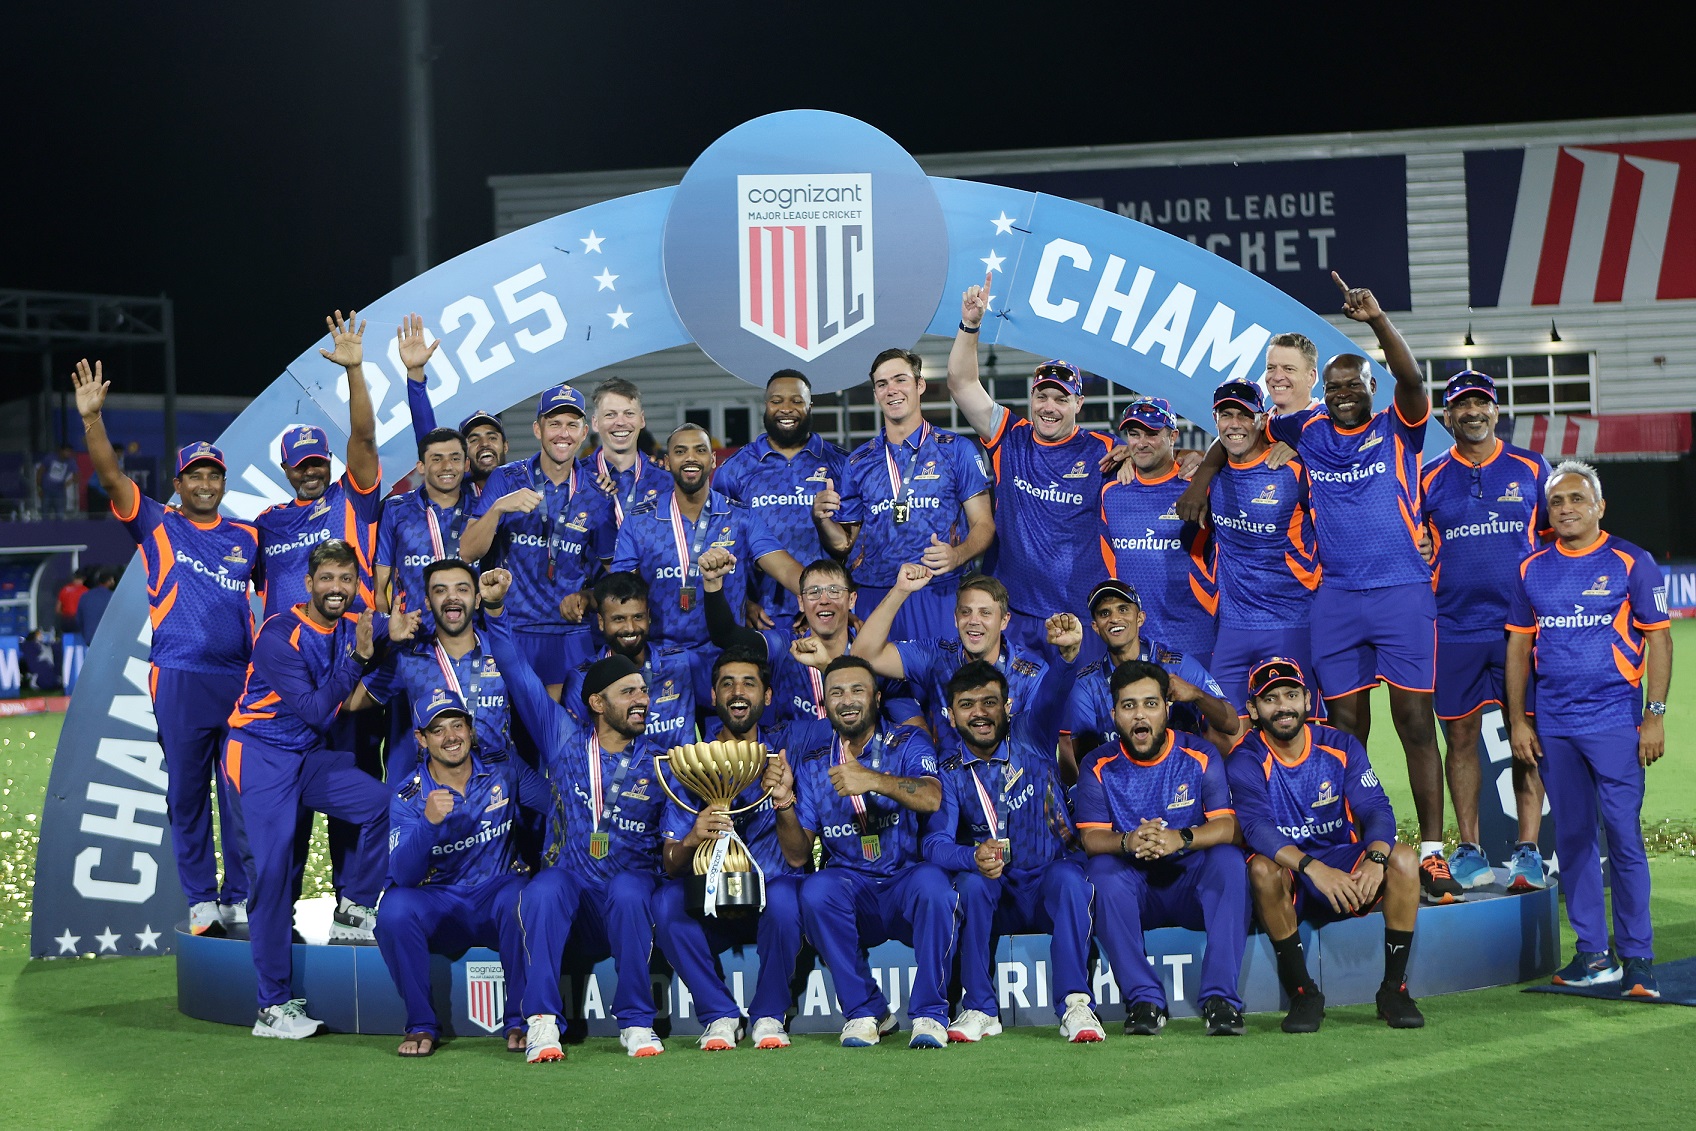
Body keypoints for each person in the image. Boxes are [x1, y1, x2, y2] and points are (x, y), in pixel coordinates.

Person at [1177, 273, 1456, 903]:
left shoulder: (1398, 425)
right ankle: (1350, 838)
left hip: (1402, 591)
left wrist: (1378, 321)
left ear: (1371, 388)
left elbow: (1413, 380)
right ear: (1322, 396)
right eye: (1334, 388)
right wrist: (1203, 474)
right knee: (1345, 727)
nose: (1343, 394)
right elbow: (1235, 432)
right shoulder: (1306, 433)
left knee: (1415, 720)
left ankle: (1433, 852)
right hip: (1336, 598)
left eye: (1353, 385)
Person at [74, 358, 254, 936]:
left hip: (240, 679)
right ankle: (201, 899)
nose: (205, 484)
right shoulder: (155, 523)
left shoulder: (248, 537)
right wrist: (93, 421)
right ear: (178, 485)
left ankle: (240, 897)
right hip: (178, 674)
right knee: (187, 792)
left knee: (241, 792)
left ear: (223, 484)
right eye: (194, 476)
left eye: (213, 476)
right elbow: (110, 479)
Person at [480, 567, 674, 1056]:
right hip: (575, 899)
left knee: (629, 889)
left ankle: (636, 1022)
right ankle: (543, 1021)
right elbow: (517, 673)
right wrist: (496, 610)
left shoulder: (661, 760)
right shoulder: (563, 740)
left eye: (643, 692)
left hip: (630, 902)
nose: (641, 701)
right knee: (544, 887)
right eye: (628, 693)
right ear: (596, 702)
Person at [1507, 460, 1673, 999]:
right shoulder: (1531, 568)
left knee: (1623, 837)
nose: (1566, 509)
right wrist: (1518, 720)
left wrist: (1654, 715)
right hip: (1555, 725)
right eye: (1556, 501)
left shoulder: (1632, 561)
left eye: (1577, 499)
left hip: (1616, 721)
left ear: (1600, 506)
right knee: (1574, 839)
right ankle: (1594, 955)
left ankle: (1639, 958)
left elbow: (1659, 639)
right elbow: (1518, 647)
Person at [224, 540, 398, 1038]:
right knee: (272, 877)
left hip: (304, 759)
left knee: (383, 805)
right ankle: (271, 1008)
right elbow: (318, 712)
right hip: (258, 757)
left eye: (346, 579)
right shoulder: (279, 633)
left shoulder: (354, 622)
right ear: (308, 584)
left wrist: (420, 620)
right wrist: (360, 658)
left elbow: (401, 624)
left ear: (356, 585)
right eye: (327, 579)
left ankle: (353, 908)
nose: (336, 588)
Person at [927, 630, 1107, 1045]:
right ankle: (980, 1008)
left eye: (989, 702)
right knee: (970, 884)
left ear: (1008, 707)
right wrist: (971, 856)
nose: (979, 713)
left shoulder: (1032, 733)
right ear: (950, 715)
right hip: (1000, 894)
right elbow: (934, 844)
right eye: (966, 705)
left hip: (1048, 883)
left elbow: (1054, 691)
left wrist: (1066, 656)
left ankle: (1076, 1005)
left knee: (1069, 878)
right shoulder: (948, 771)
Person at [1225, 657, 1425, 1032]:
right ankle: (1303, 993)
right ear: (1252, 709)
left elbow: (1376, 809)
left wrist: (1375, 858)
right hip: (1293, 872)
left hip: (1340, 862)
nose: (1282, 707)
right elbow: (1256, 829)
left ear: (1307, 699)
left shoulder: (1340, 745)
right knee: (1262, 869)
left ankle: (1393, 990)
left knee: (1402, 858)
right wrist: (1314, 869)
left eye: (1291, 695)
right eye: (1270, 699)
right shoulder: (1245, 759)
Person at [376, 687, 571, 1060]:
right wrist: (428, 824)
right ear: (421, 739)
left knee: (522, 896)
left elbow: (557, 804)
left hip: (496, 891)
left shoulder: (504, 768)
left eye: (457, 725)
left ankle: (522, 1019)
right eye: (437, 730)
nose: (450, 736)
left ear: (471, 729)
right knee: (393, 910)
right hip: (439, 902)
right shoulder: (408, 797)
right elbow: (403, 875)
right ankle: (420, 1024)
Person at [651, 645, 828, 1051]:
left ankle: (769, 1014)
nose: (737, 692)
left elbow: (799, 857)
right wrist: (693, 838)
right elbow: (671, 863)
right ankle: (720, 1015)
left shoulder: (786, 748)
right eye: (727, 684)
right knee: (665, 901)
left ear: (767, 695)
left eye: (749, 683)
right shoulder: (692, 761)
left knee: (787, 894)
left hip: (770, 902)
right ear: (713, 695)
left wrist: (784, 802)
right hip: (710, 901)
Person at [780, 655, 955, 1048]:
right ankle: (865, 1012)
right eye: (836, 693)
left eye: (857, 690)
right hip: (853, 889)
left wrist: (873, 780)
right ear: (825, 703)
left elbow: (931, 797)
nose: (847, 700)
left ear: (876, 697)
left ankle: (929, 1014)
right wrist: (783, 802)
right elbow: (796, 855)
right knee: (816, 889)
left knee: (935, 884)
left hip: (905, 881)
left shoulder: (908, 741)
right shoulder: (813, 763)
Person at [1420, 371, 1551, 890]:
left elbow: (1552, 539)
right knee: (1459, 738)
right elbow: (1414, 539)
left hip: (1519, 630)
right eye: (1461, 405)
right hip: (1452, 627)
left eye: (1481, 403)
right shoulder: (1429, 477)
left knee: (1527, 739)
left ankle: (1528, 850)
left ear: (1496, 411)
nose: (1472, 412)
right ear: (1447, 416)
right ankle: (1470, 850)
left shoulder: (1531, 467)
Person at [1074, 660, 1248, 1037]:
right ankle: (1145, 1000)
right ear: (1114, 715)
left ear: (1167, 709)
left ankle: (1221, 1000)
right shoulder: (1097, 764)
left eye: (1150, 704)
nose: (1140, 715)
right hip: (1135, 885)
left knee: (1229, 861)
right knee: (1101, 872)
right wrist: (1128, 841)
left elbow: (1228, 827)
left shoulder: (1200, 754)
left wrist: (1180, 838)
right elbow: (1091, 838)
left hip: (1190, 881)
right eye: (1129, 705)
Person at [945, 272, 1114, 649]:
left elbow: (1157, 459)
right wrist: (970, 325)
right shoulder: (1010, 435)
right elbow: (961, 383)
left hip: (1077, 613)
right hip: (1013, 611)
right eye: (1042, 397)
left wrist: (1191, 460)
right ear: (1031, 398)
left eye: (1061, 399)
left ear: (1078, 404)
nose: (1049, 407)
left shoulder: (1103, 450)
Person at [812, 348, 995, 642]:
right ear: (875, 394)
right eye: (882, 384)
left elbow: (984, 524)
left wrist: (958, 555)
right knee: (872, 673)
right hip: (875, 594)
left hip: (938, 591)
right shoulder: (858, 461)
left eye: (900, 379)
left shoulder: (955, 450)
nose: (892, 390)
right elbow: (845, 544)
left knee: (942, 672)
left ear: (920, 385)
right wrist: (821, 519)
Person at [464, 383, 613, 699]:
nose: (563, 433)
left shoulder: (598, 493)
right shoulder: (506, 479)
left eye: (571, 424)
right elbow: (467, 551)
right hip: (512, 630)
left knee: (566, 727)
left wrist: (588, 597)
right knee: (510, 727)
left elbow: (615, 574)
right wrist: (498, 507)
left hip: (570, 634)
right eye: (554, 423)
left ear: (584, 432)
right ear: (537, 429)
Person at [612, 423, 802, 649]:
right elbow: (619, 590)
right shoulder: (638, 521)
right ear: (667, 462)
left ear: (713, 460)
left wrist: (822, 597)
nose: (690, 458)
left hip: (727, 655)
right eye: (680, 451)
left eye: (700, 450)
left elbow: (786, 569)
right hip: (661, 654)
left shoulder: (740, 517)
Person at [1202, 378, 1321, 716]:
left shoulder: (1294, 469)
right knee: (1226, 731)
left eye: (1244, 415)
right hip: (1233, 628)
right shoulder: (1210, 475)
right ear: (1215, 420)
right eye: (1226, 415)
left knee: (1297, 728)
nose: (1234, 424)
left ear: (1262, 419)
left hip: (1291, 623)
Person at [253, 311, 384, 619]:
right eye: (301, 465)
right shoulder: (267, 523)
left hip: (349, 633)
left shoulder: (351, 498)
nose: (310, 471)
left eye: (317, 463)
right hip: (287, 642)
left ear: (329, 462)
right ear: (285, 469)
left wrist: (354, 369)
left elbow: (364, 439)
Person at [842, 566, 1059, 746]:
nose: (974, 621)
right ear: (955, 619)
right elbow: (863, 655)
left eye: (985, 613)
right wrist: (900, 590)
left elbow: (1037, 746)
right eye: (966, 612)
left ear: (1004, 621)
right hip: (948, 779)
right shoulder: (937, 655)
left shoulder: (1031, 671)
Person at [1062, 580, 1239, 781]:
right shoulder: (1086, 684)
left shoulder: (1178, 666)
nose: (1114, 618)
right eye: (1104, 613)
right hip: (1122, 784)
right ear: (1095, 626)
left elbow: (1232, 725)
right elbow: (1087, 763)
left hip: (1183, 782)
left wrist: (1197, 695)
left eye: (1123, 609)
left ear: (1140, 618)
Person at [713, 369, 848, 628]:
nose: (786, 408)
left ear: (810, 406)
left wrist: (833, 603)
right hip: (762, 615)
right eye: (777, 401)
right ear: (766, 405)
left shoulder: (841, 464)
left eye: (796, 401)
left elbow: (854, 544)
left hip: (826, 611)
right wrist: (741, 601)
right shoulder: (734, 469)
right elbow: (718, 543)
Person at [349, 558, 512, 764]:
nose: (452, 597)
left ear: (477, 599)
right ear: (427, 602)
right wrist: (365, 652)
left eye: (462, 589)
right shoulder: (409, 659)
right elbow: (349, 702)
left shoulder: (503, 652)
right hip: (436, 781)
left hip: (497, 778)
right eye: (440, 590)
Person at [1101, 395, 1217, 667]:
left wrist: (1202, 461)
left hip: (1194, 635)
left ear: (1173, 436)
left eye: (1152, 433)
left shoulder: (1199, 487)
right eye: (1134, 434)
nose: (1141, 442)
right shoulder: (1111, 492)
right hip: (1134, 640)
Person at [561, 570, 704, 746]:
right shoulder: (583, 679)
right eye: (618, 619)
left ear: (648, 617)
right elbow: (576, 747)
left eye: (638, 617)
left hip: (678, 764)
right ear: (601, 622)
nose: (630, 628)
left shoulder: (681, 664)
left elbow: (719, 705)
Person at [374, 427, 478, 621]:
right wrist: (387, 631)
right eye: (437, 459)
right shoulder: (395, 509)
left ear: (466, 464)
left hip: (469, 633)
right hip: (413, 633)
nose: (447, 466)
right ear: (421, 466)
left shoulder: (482, 510)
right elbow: (379, 587)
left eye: (455, 458)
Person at [402, 312, 510, 498]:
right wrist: (415, 372)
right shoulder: (457, 493)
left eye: (492, 437)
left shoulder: (526, 483)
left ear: (505, 446)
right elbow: (428, 437)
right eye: (473, 440)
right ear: (464, 457)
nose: (484, 444)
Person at [582, 377, 669, 526]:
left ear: (642, 420)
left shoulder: (666, 481)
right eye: (610, 414)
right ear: (595, 423)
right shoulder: (576, 478)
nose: (621, 422)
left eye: (629, 413)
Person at [1259, 332, 1320, 414]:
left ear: (1311, 377)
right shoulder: (1260, 421)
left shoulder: (1326, 421)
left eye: (1288, 369)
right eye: (1271, 368)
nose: (1277, 377)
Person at [75, 566, 116, 642]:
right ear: (109, 581)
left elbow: (79, 620)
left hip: (89, 639)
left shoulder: (85, 596)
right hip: (107, 640)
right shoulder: (113, 597)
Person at [37, 443, 78, 519]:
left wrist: (67, 484)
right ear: (61, 451)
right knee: (45, 514)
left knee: (60, 515)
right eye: (66, 451)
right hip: (46, 490)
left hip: (59, 492)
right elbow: (40, 472)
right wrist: (39, 488)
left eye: (70, 451)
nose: (68, 453)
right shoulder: (50, 458)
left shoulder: (71, 462)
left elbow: (76, 476)